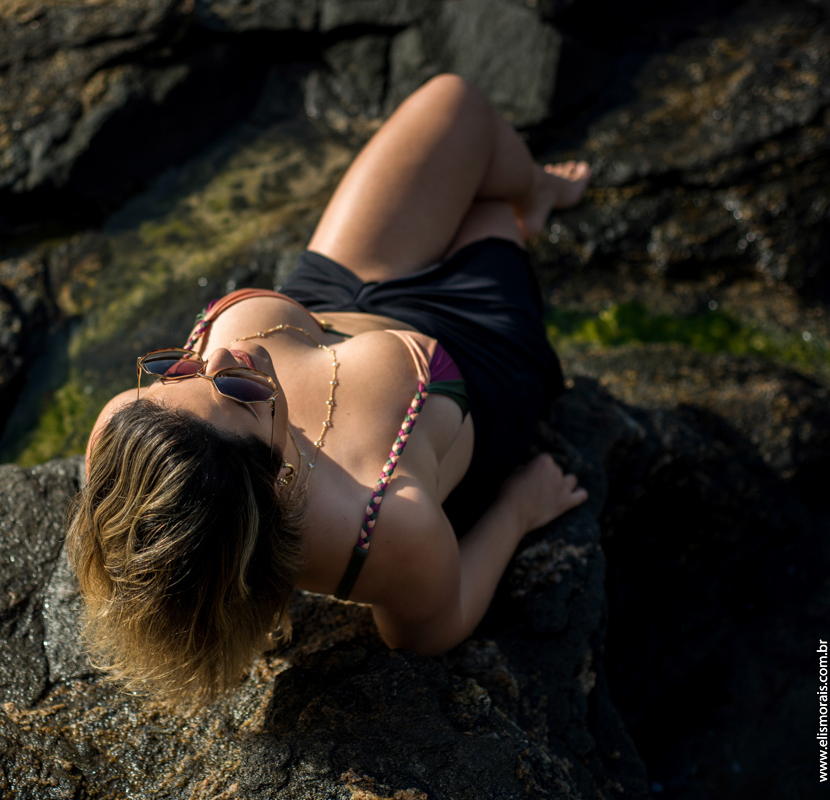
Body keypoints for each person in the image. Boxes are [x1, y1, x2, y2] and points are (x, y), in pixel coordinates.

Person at [69, 74, 591, 706]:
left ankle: (533, 188)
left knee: (457, 105)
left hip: (337, 292)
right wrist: (517, 510)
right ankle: (532, 199)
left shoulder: (125, 431)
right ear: (277, 481)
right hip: (472, 343)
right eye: (238, 389)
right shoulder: (385, 525)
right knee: (489, 202)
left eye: (180, 370)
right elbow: (433, 630)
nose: (241, 353)